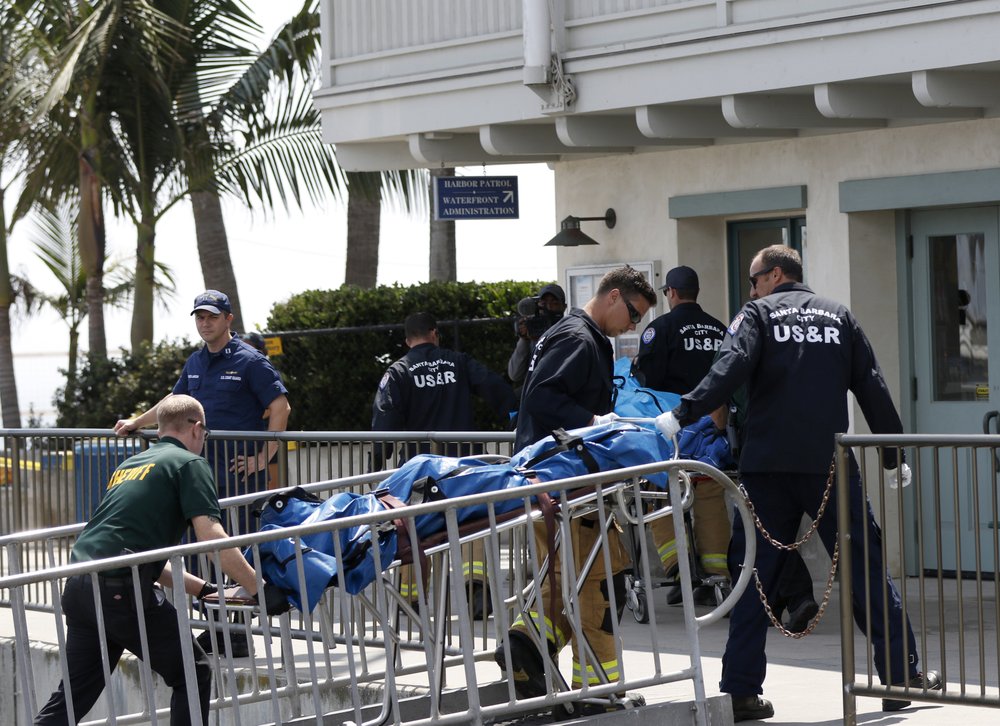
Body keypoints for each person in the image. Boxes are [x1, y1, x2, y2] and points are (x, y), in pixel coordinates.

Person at [655, 244, 940, 721]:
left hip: (766, 468)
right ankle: (899, 676)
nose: (750, 288)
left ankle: (741, 690)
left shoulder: (757, 315)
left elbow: (728, 371)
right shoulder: (839, 317)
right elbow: (872, 384)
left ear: (776, 275)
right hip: (828, 465)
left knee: (754, 577)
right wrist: (893, 455)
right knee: (864, 569)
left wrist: (682, 414)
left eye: (754, 279)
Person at [34, 395, 289, 726]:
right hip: (120, 592)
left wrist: (203, 589)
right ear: (197, 428)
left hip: (81, 586)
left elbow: (135, 550)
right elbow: (212, 536)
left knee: (70, 700)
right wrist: (260, 589)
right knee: (193, 673)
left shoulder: (132, 465)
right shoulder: (189, 464)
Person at [501, 265, 656, 702]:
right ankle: (598, 689)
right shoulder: (578, 337)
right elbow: (543, 398)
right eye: (633, 312)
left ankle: (526, 645)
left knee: (577, 576)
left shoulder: (577, 334)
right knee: (597, 583)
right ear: (611, 297)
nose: (634, 323)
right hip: (564, 481)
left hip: (557, 480)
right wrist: (595, 423)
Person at [371, 312, 516, 615]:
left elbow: (385, 420)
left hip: (419, 469)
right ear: (435, 334)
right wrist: (518, 415)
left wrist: (379, 457)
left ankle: (410, 599)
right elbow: (495, 388)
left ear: (407, 340)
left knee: (416, 529)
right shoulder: (457, 361)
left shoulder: (399, 371)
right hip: (462, 465)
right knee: (470, 523)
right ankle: (476, 591)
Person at [114, 291, 291, 510]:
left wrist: (265, 457)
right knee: (196, 543)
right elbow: (175, 401)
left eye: (212, 317)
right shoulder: (195, 361)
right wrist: (136, 423)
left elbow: (281, 406)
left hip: (239, 477)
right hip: (198, 472)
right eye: (200, 317)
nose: (205, 323)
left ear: (228, 319)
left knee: (240, 542)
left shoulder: (251, 360)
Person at [634, 265, 731, 606]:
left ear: (671, 293)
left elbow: (647, 382)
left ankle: (680, 568)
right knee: (708, 495)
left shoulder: (660, 329)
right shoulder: (722, 329)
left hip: (672, 430)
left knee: (660, 493)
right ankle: (716, 575)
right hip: (713, 429)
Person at [508, 283, 567, 399]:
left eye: (554, 303)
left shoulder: (569, 331)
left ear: (563, 307)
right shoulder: (532, 329)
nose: (548, 307)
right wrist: (524, 340)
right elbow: (514, 374)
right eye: (544, 303)